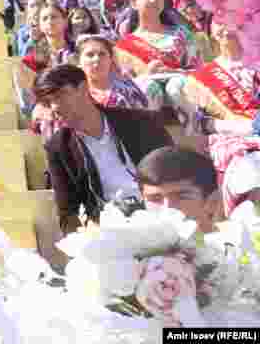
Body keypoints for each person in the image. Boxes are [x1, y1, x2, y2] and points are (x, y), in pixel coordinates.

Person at [34, 64, 172, 232]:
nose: (55, 107)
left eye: (60, 96)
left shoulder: (142, 122)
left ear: (83, 88)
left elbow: (178, 174)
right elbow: (68, 214)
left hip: (161, 214)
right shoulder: (58, 147)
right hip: (111, 229)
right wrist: (90, 227)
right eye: (48, 102)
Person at [137, 145, 220, 235]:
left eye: (181, 196)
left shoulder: (233, 243)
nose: (168, 207)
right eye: (155, 199)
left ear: (212, 200)